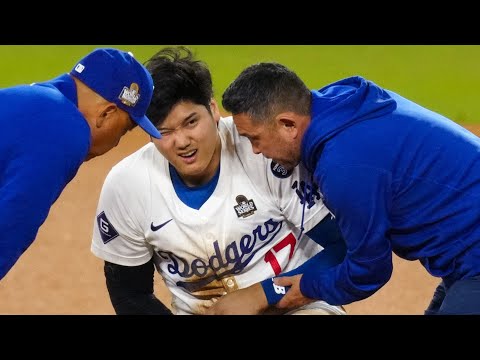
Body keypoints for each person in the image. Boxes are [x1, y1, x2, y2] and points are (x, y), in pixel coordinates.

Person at [90, 46, 347, 315]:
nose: (182, 142)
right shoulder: (126, 187)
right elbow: (131, 295)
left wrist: (265, 293)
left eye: (191, 122)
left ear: (213, 109)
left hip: (296, 304)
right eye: (164, 132)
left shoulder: (262, 150)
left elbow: (342, 247)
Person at [216, 61, 480, 315]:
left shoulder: (342, 165)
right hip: (465, 255)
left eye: (255, 138)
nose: (256, 150)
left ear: (288, 124)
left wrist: (306, 288)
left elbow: (370, 269)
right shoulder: (339, 106)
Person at [0, 47, 161, 281]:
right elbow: (11, 224)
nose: (117, 143)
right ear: (106, 114)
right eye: (125, 130)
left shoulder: (35, 101)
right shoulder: (65, 129)